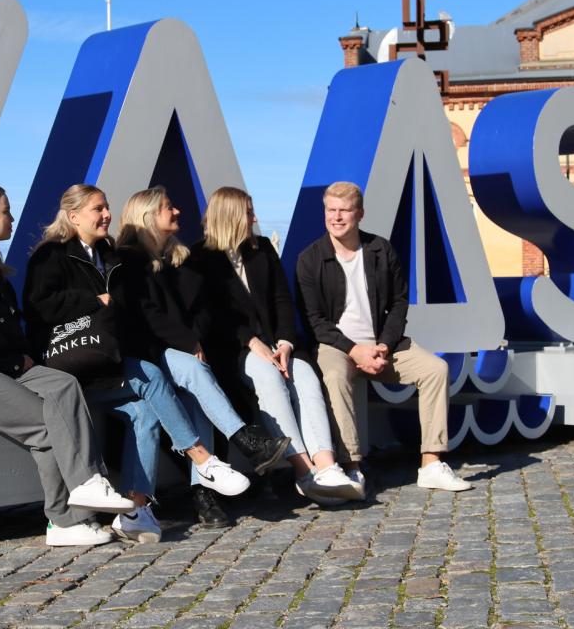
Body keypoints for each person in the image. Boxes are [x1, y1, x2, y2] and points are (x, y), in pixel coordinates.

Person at [0, 181, 136, 547]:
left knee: (64, 385)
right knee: (49, 425)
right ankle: (65, 518)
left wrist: (24, 359)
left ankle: (89, 487)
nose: (12, 218)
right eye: (5, 211)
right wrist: (18, 362)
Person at [23, 184, 249, 542]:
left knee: (145, 414)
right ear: (73, 216)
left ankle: (135, 510)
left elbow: (125, 312)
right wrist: (92, 299)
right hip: (71, 369)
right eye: (97, 209)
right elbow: (39, 308)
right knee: (153, 376)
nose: (106, 215)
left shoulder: (107, 254)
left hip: (105, 363)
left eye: (107, 207)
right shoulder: (51, 255)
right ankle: (203, 459)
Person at [113, 186, 291, 528]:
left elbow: (205, 309)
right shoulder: (128, 262)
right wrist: (189, 340)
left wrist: (194, 338)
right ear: (149, 216)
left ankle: (203, 494)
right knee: (194, 371)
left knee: (198, 403)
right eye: (168, 207)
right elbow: (144, 316)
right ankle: (247, 441)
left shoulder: (180, 260)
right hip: (147, 356)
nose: (177, 211)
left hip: (180, 352)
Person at [295, 181, 472, 494]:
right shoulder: (310, 259)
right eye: (330, 210)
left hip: (383, 344)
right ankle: (352, 467)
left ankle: (432, 463)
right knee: (335, 376)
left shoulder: (380, 249)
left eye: (344, 211)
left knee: (436, 370)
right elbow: (315, 322)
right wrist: (354, 351)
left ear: (359, 214)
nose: (336, 217)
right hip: (337, 346)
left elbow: (399, 303)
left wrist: (383, 346)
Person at [189, 187, 361, 505]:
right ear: (229, 215)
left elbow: (283, 300)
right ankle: (303, 470)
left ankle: (326, 466)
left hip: (276, 343)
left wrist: (285, 342)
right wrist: (250, 341)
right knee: (269, 378)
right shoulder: (199, 258)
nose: (254, 218)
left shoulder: (262, 249)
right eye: (248, 212)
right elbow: (210, 316)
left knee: (306, 377)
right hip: (235, 350)